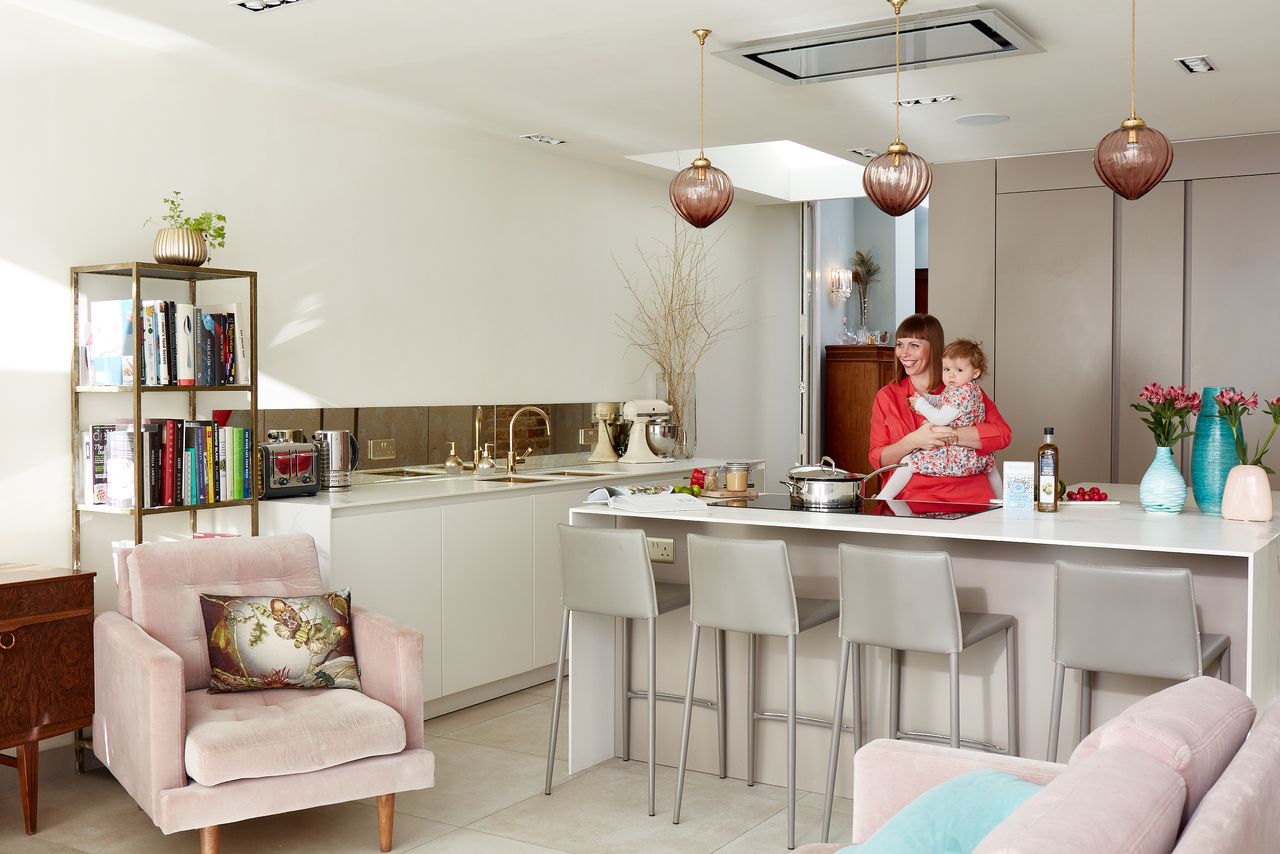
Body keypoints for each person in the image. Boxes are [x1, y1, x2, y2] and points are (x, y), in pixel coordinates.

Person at [868, 314, 1012, 504]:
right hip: (912, 500)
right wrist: (913, 441)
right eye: (900, 344)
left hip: (971, 496)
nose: (904, 353)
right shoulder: (887, 396)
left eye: (914, 345)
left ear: (934, 349)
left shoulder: (963, 390)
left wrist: (950, 434)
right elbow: (878, 459)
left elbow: (1003, 435)